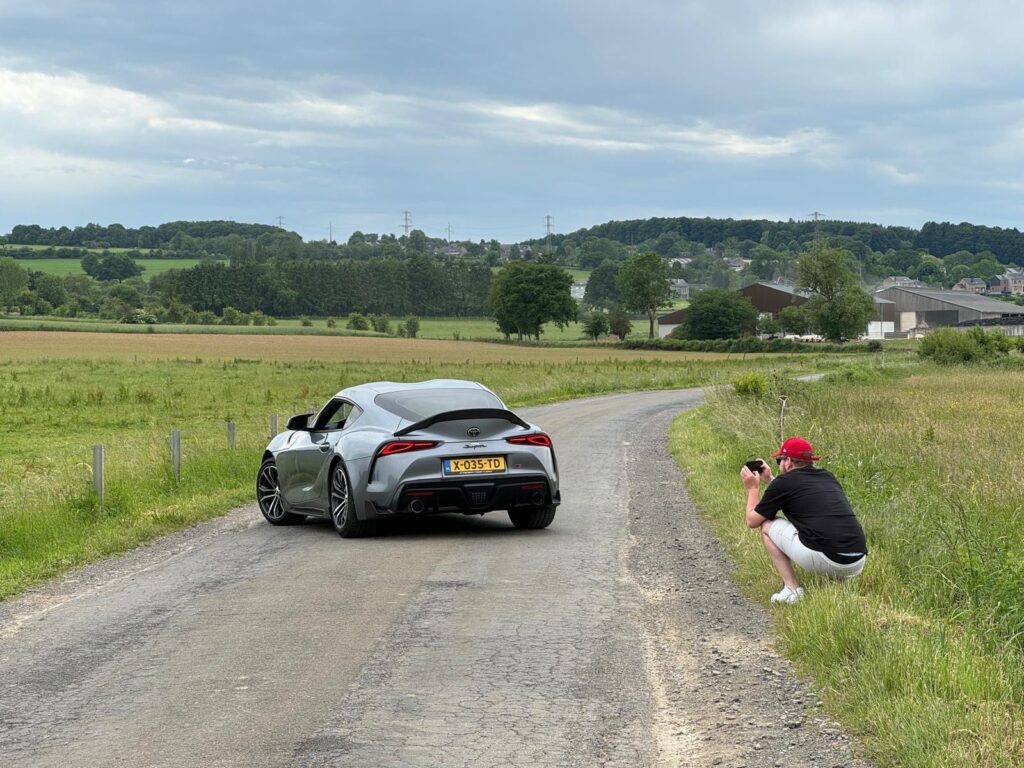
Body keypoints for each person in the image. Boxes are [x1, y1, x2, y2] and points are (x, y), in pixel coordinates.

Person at [740, 436, 867, 604]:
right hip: (857, 560)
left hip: (826, 557)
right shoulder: (828, 476)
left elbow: (752, 520)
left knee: (766, 525)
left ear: (788, 462)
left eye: (780, 460)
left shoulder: (784, 483)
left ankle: (792, 589)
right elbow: (795, 493)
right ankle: (840, 587)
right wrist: (770, 479)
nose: (779, 464)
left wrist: (753, 488)